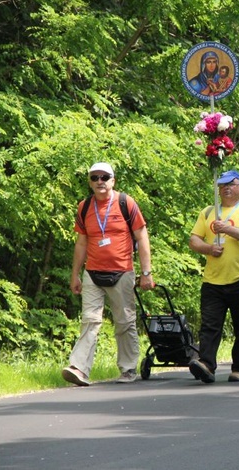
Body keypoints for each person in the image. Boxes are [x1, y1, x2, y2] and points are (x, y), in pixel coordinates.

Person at [63, 162, 155, 386]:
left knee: (124, 322)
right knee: (90, 321)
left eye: (104, 177)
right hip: (92, 273)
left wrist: (146, 272)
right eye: (94, 178)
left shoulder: (126, 203)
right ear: (90, 182)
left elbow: (142, 237)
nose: (100, 181)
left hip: (122, 271)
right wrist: (75, 274)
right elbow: (81, 243)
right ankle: (80, 368)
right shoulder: (84, 207)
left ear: (113, 180)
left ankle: (128, 368)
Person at [188, 170, 239, 383]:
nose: (226, 188)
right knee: (210, 325)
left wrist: (228, 230)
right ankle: (206, 364)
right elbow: (194, 240)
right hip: (213, 280)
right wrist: (209, 249)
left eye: (232, 184)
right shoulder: (208, 212)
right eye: (222, 185)